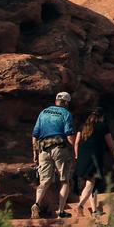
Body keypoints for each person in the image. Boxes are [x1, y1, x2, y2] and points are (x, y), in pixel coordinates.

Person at [31, 91, 77, 219]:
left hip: (43, 149)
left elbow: (35, 134)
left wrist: (34, 152)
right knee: (64, 180)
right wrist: (75, 150)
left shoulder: (43, 112)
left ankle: (36, 204)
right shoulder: (66, 113)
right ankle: (61, 212)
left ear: (56, 100)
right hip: (59, 148)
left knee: (44, 181)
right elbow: (69, 134)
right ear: (67, 102)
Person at [73, 107, 114, 216]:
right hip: (94, 159)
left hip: (82, 158)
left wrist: (77, 156)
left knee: (91, 184)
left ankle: (94, 210)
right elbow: (110, 144)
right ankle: (80, 206)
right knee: (91, 183)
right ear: (101, 116)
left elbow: (76, 142)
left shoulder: (83, 126)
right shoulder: (103, 126)